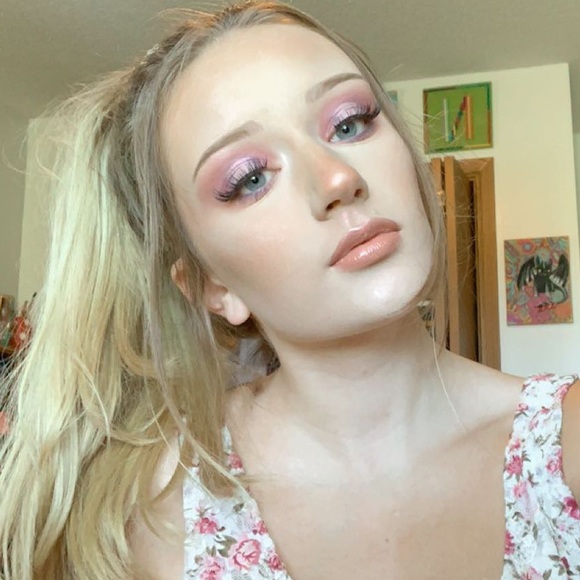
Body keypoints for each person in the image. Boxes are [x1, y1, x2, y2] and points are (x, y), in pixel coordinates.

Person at [1, 2, 579, 578]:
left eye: (349, 124)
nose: (338, 178)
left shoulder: (565, 443)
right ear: (211, 284)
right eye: (250, 179)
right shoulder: (153, 512)